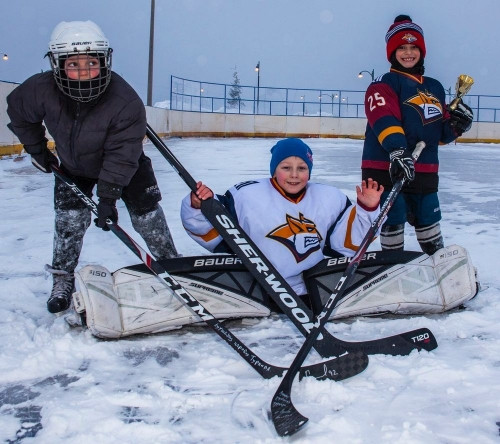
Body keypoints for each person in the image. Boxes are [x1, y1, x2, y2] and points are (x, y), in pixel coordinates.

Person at [6, 20, 178, 314]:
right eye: (74, 64)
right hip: (75, 166)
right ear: (58, 65)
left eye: (91, 62)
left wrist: (108, 198)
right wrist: (37, 149)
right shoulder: (39, 89)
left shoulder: (124, 100)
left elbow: (123, 153)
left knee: (148, 218)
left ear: (104, 61)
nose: (84, 71)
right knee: (69, 223)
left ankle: (175, 268)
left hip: (128, 166)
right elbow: (20, 114)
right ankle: (62, 279)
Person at [180, 138, 384, 305]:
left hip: (313, 292)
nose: (294, 175)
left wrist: (367, 210)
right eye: (286, 167)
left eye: (302, 168)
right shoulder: (245, 196)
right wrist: (200, 205)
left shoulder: (330, 198)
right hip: (256, 291)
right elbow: (216, 233)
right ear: (274, 169)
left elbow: (345, 245)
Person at [361, 14, 474, 255]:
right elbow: (383, 118)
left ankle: (440, 267)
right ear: (392, 52)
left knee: (428, 217)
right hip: (387, 167)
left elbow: (439, 135)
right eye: (402, 47)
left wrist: (457, 126)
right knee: (394, 219)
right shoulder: (384, 83)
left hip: (424, 169)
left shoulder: (433, 87)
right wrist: (398, 150)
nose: (408, 53)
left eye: (414, 47)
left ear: (422, 50)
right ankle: (392, 267)